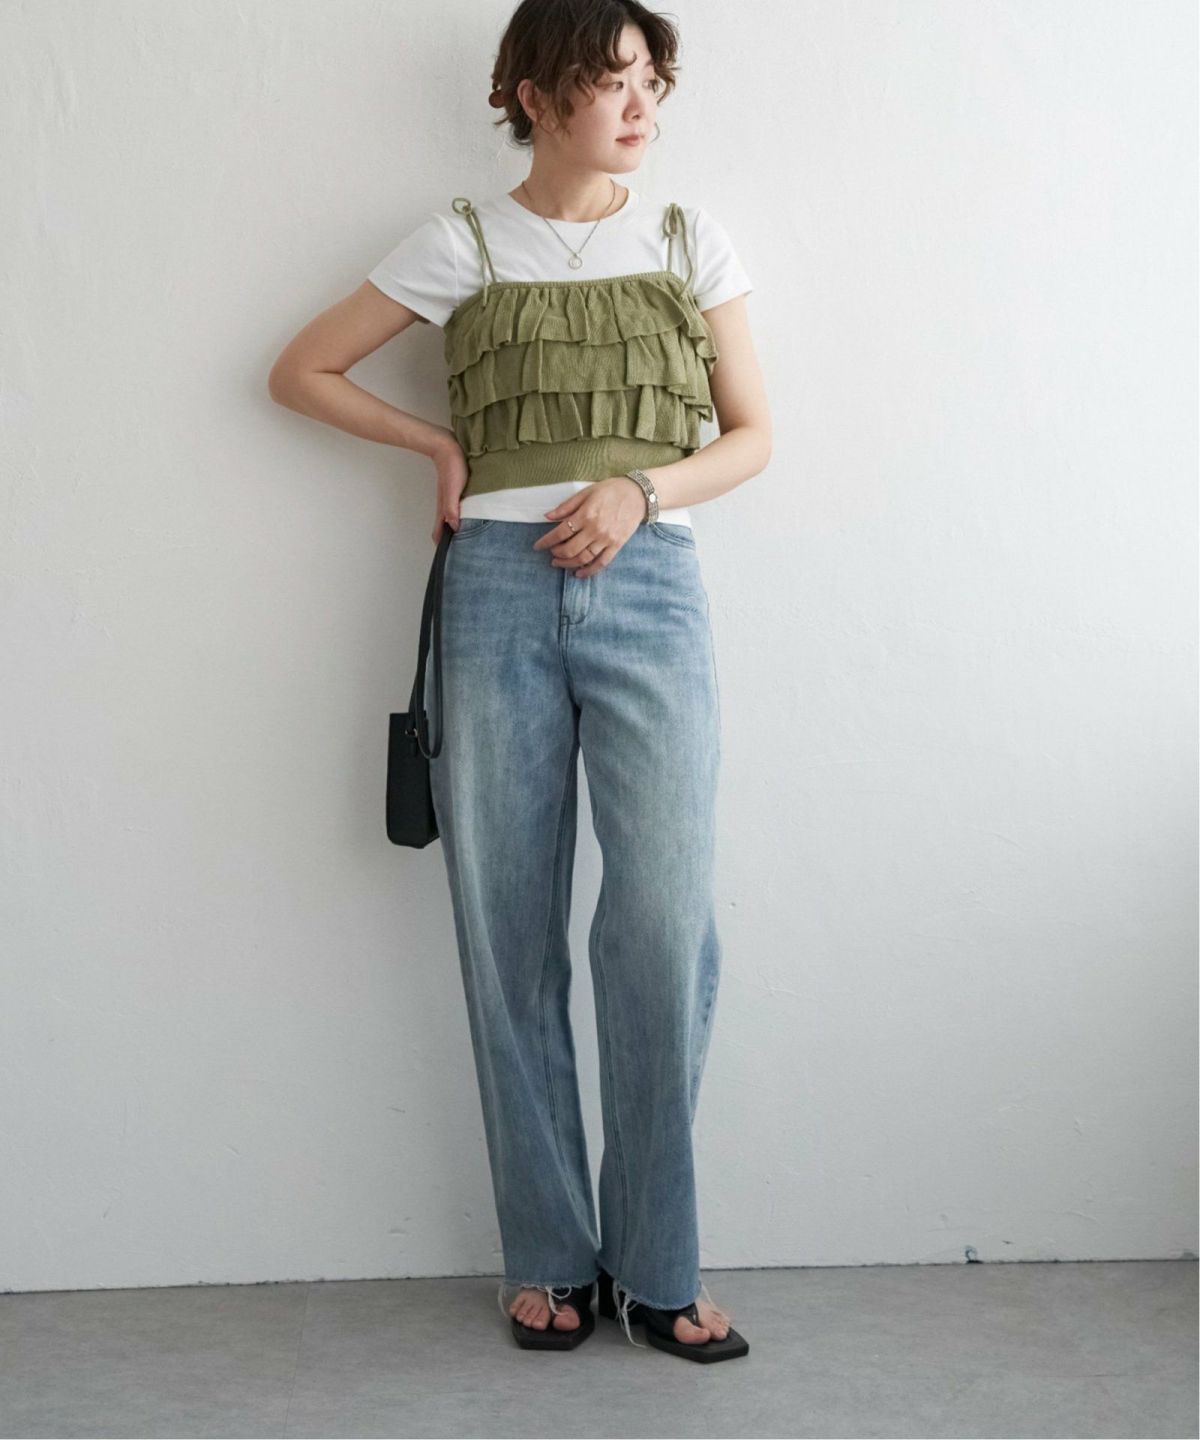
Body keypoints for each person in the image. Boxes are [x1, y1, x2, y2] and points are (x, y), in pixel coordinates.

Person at [268, 0, 771, 1363]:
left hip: (651, 589)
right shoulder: (462, 242)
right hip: (495, 594)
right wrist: (437, 447)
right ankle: (548, 1255)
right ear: (536, 97)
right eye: (610, 81)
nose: (640, 106)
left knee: (663, 926)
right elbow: (301, 370)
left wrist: (638, 491)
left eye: (651, 80)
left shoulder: (689, 241)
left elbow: (753, 436)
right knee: (507, 930)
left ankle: (658, 1264)